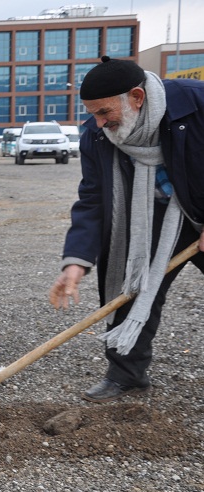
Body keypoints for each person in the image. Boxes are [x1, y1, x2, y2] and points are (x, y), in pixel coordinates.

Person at [49, 56, 204, 403]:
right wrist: (76, 262)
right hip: (156, 214)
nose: (99, 122)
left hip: (199, 204)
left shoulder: (196, 103)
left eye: (104, 112)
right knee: (131, 286)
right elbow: (93, 199)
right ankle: (126, 375)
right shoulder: (96, 134)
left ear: (136, 97)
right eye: (93, 113)